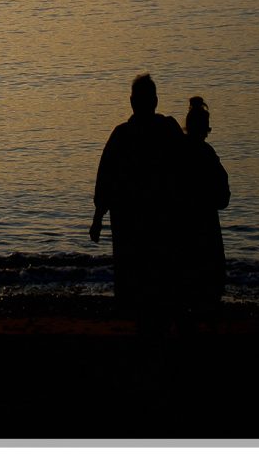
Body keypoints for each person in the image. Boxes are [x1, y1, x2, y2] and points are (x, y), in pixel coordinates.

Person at [89, 73, 185, 331]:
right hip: (155, 222)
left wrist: (97, 218)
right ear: (154, 101)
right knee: (156, 283)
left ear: (133, 102)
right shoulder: (166, 130)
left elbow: (105, 179)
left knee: (139, 283)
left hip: (138, 223)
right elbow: (186, 172)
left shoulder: (125, 134)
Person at [175, 95, 231, 321]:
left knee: (183, 287)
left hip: (181, 228)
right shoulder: (208, 155)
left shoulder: (176, 153)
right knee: (208, 287)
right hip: (206, 227)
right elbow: (224, 198)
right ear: (206, 129)